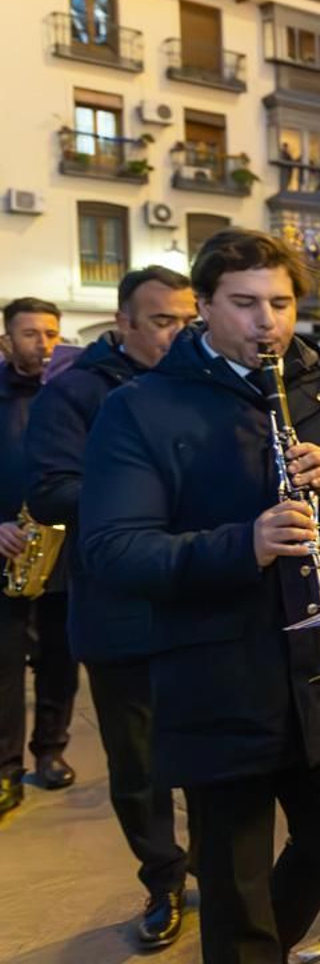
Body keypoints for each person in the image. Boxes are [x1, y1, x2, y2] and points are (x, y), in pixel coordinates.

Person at [80, 230, 320, 964]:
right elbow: (112, 549)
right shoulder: (145, 406)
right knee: (233, 881)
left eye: (282, 303)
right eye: (245, 303)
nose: (268, 322)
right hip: (218, 679)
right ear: (204, 305)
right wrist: (245, 543)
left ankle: (266, 947)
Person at [23, 267, 197, 948]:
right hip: (119, 608)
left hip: (201, 600)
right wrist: (147, 490)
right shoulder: (73, 393)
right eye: (162, 320)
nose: (179, 332)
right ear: (121, 324)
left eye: (188, 318)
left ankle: (216, 860)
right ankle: (163, 878)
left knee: (212, 744)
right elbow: (53, 492)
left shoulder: (202, 382)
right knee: (137, 763)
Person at [0, 297, 70, 817]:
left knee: (59, 660)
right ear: (6, 339)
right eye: (30, 334)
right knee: (3, 665)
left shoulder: (70, 394)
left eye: (49, 333)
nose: (42, 344)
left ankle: (50, 751)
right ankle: (5, 769)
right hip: (7, 547)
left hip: (63, 549)